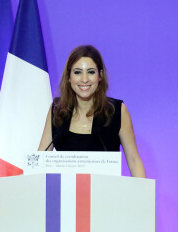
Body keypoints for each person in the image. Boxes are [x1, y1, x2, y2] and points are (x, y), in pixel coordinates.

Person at [38, 45, 146, 178]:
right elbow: (40, 160)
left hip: (106, 195)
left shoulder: (117, 111)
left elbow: (134, 160)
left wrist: (144, 196)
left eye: (91, 72)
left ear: (100, 76)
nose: (84, 79)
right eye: (77, 72)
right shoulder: (57, 109)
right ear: (69, 77)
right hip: (64, 196)